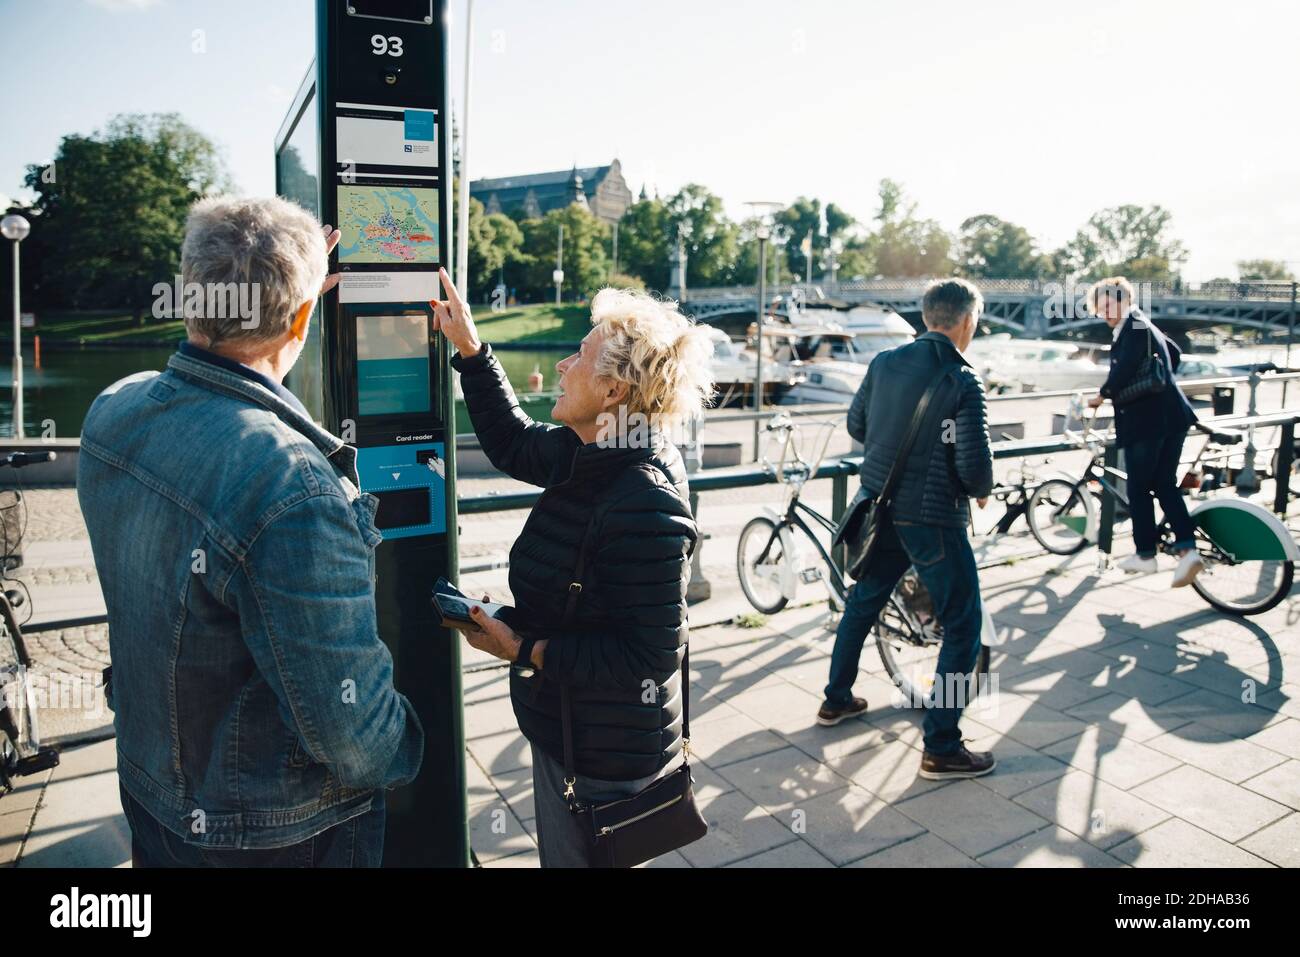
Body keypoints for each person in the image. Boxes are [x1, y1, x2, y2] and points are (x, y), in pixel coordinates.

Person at [78, 196, 424, 867]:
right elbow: (352, 735)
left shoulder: (112, 412)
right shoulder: (293, 485)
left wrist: (282, 291)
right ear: (302, 316)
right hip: (271, 836)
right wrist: (410, 741)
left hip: (153, 796)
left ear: (189, 298)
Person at [432, 270, 711, 867]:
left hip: (603, 751)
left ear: (613, 392)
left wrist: (525, 647)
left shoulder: (644, 498)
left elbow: (649, 657)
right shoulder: (597, 448)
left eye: (579, 357)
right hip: (566, 722)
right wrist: (473, 353)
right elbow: (511, 443)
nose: (561, 366)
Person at [821, 277, 996, 781]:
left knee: (864, 601)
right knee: (962, 624)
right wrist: (980, 486)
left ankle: (836, 700)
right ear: (966, 321)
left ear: (926, 319)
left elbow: (858, 426)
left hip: (880, 505)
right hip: (934, 517)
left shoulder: (883, 364)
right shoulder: (962, 381)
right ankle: (942, 744)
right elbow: (974, 464)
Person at [1085, 276, 1202, 585]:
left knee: (1138, 487)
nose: (1105, 312)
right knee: (1163, 483)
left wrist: (1103, 394)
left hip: (1148, 421)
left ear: (1124, 300)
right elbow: (1173, 353)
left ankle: (1145, 554)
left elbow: (1123, 369)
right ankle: (1188, 550)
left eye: (1108, 305)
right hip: (1171, 415)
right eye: (1100, 308)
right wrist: (1158, 381)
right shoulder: (1143, 325)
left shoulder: (1134, 326)